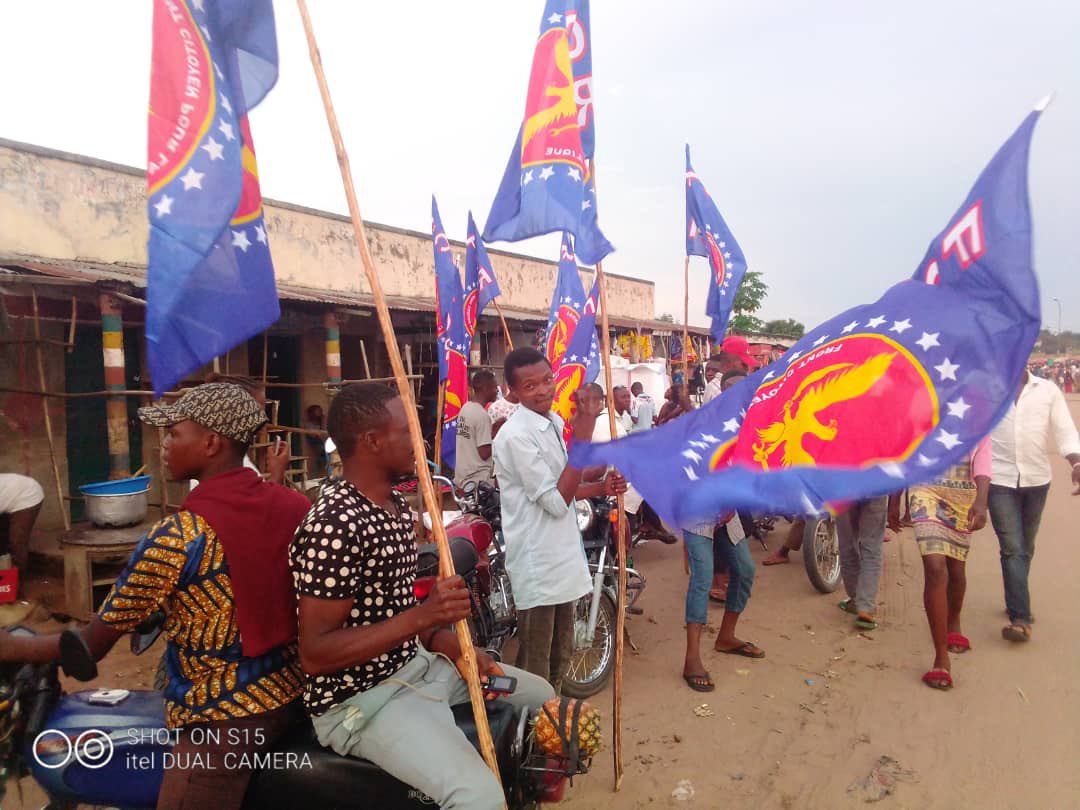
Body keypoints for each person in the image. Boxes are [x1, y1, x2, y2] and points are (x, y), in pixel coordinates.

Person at [0, 383, 311, 809]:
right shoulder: (293, 505)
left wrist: (13, 646)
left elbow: (92, 644)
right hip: (289, 690)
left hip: (223, 717)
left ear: (210, 442)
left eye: (173, 433)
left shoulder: (178, 537)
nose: (164, 445)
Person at [291, 383, 552, 810]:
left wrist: (454, 648)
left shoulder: (394, 506)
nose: (420, 441)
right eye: (407, 430)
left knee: (540, 696)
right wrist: (423, 617)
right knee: (478, 797)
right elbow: (315, 654)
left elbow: (401, 614)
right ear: (372, 442)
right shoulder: (335, 523)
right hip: (365, 698)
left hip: (418, 667)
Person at [493, 348, 626, 690]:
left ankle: (550, 722)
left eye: (547, 381)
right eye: (530, 385)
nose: (542, 390)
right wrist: (581, 440)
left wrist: (600, 486)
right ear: (513, 391)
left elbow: (564, 486)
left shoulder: (551, 422)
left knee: (560, 656)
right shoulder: (514, 435)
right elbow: (555, 501)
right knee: (536, 662)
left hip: (562, 554)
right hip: (538, 561)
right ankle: (529, 732)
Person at [988, 370, 1080, 643]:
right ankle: (1020, 618)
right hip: (998, 479)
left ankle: (1016, 597)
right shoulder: (988, 388)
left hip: (1037, 480)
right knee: (1012, 548)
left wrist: (1076, 462)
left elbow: (1065, 430)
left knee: (1026, 546)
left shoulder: (1047, 390)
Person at [905, 437, 991, 690]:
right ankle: (941, 656)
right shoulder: (920, 399)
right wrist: (894, 497)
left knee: (956, 568)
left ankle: (954, 619)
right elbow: (904, 446)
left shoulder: (980, 403)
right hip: (924, 487)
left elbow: (984, 452)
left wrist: (982, 500)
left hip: (963, 491)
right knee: (934, 569)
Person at [582, 383, 676, 545]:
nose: (627, 400)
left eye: (627, 396)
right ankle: (631, 531)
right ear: (610, 400)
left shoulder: (622, 418)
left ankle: (650, 525)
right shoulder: (607, 422)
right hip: (610, 477)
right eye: (623, 397)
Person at [836, 496, 889, 630]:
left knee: (847, 545)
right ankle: (866, 608)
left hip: (842, 486)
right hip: (876, 486)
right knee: (871, 549)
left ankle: (854, 601)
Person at [454, 370, 498, 488]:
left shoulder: (466, 408)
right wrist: (500, 438)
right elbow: (484, 453)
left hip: (463, 478)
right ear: (485, 388)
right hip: (478, 482)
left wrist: (493, 432)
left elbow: (473, 439)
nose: (497, 391)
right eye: (494, 387)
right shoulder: (482, 415)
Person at [0, 473, 44, 576]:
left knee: (17, 540)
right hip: (10, 495)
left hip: (27, 495)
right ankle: (5, 568)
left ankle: (17, 577)